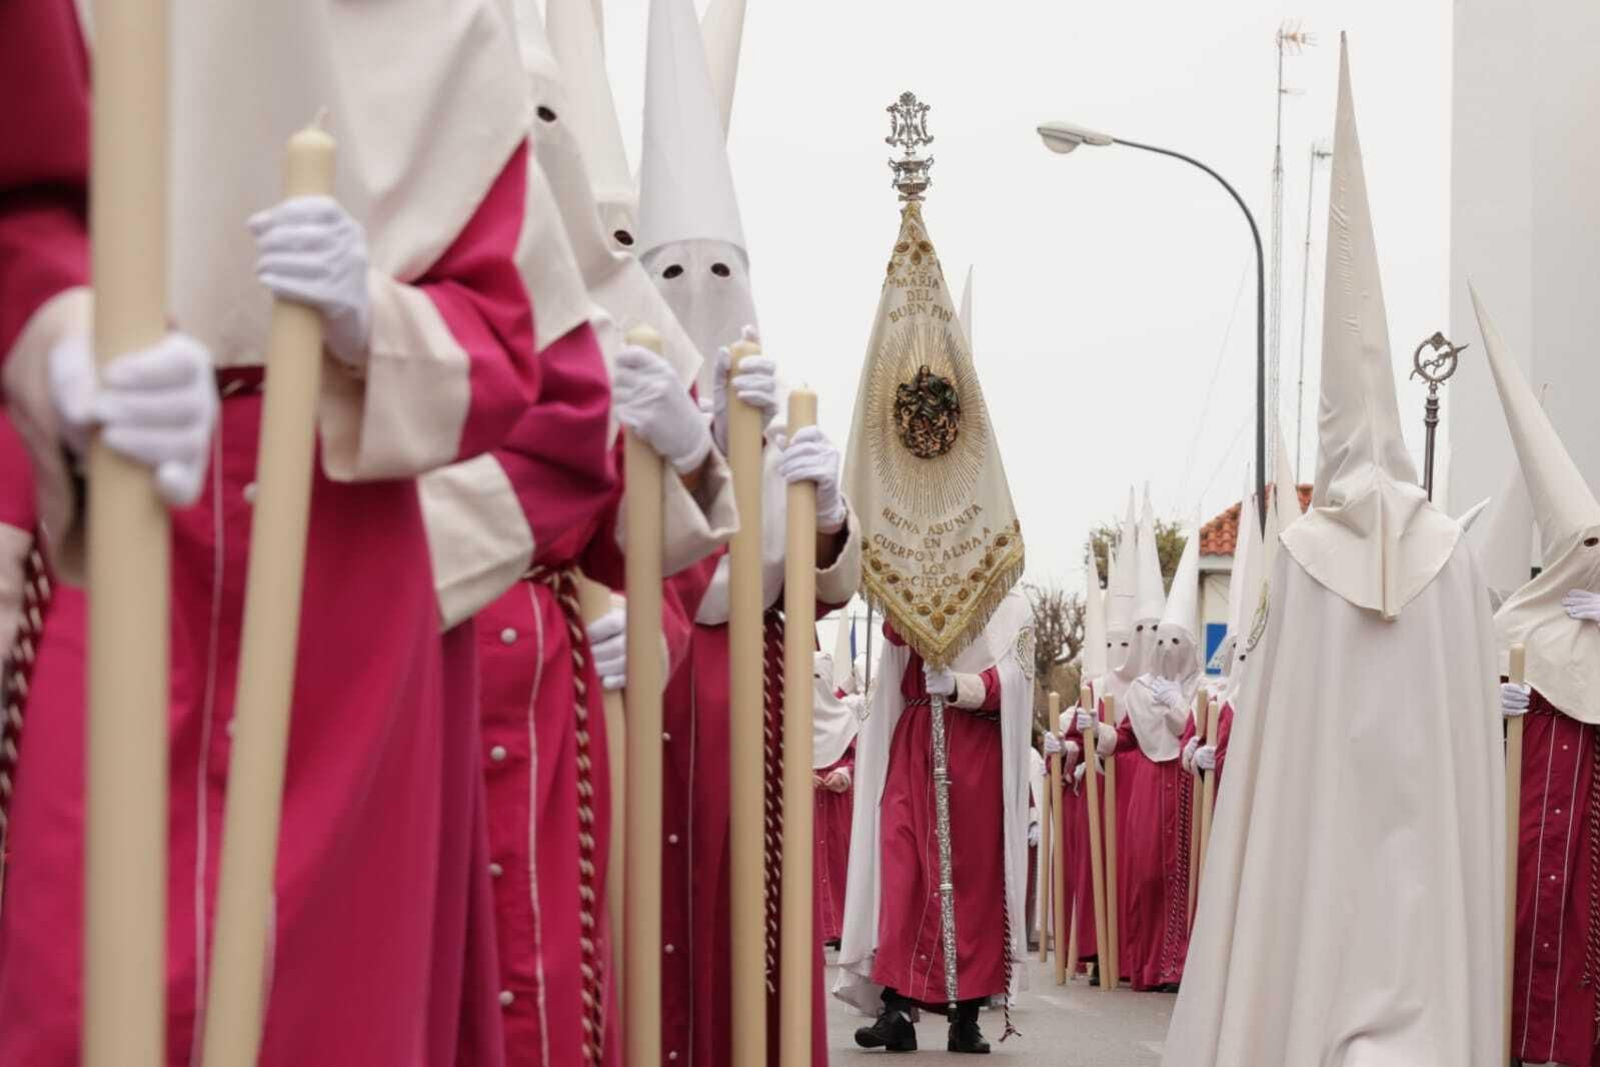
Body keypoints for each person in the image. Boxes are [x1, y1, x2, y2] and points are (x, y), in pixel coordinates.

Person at [0, 2, 540, 1062]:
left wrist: (369, 315)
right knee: (78, 963)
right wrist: (57, 335)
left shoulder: (455, 28)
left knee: (331, 991)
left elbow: (508, 352)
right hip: (112, 480)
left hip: (337, 539)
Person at [1162, 40, 1504, 1065]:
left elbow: (1274, 775)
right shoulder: (1455, 559)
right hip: (1428, 943)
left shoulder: (1305, 557)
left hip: (1324, 927)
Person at [633, 2, 861, 1063]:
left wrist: (824, 507)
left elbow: (825, 579)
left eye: (720, 273)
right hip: (650, 685)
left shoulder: (783, 409)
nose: (699, 297)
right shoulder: (622, 387)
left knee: (752, 933)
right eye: (673, 272)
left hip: (753, 692)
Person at [835, 160, 1030, 1054]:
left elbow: (1018, 667)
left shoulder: (993, 546)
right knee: (907, 862)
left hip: (975, 741)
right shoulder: (903, 527)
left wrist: (974, 687)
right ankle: (899, 1005)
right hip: (916, 728)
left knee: (972, 872)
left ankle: (963, 1011)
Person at [1472, 287, 1600, 1066]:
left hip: (1585, 823)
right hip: (1518, 816)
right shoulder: (1512, 625)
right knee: (1514, 915)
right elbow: (1458, 712)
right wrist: (1494, 701)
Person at [813, 651, 862, 946]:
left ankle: (842, 926)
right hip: (802, 804)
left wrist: (844, 773)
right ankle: (813, 926)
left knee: (840, 860)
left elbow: (859, 757)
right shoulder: (786, 716)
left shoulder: (845, 717)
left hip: (837, 804)